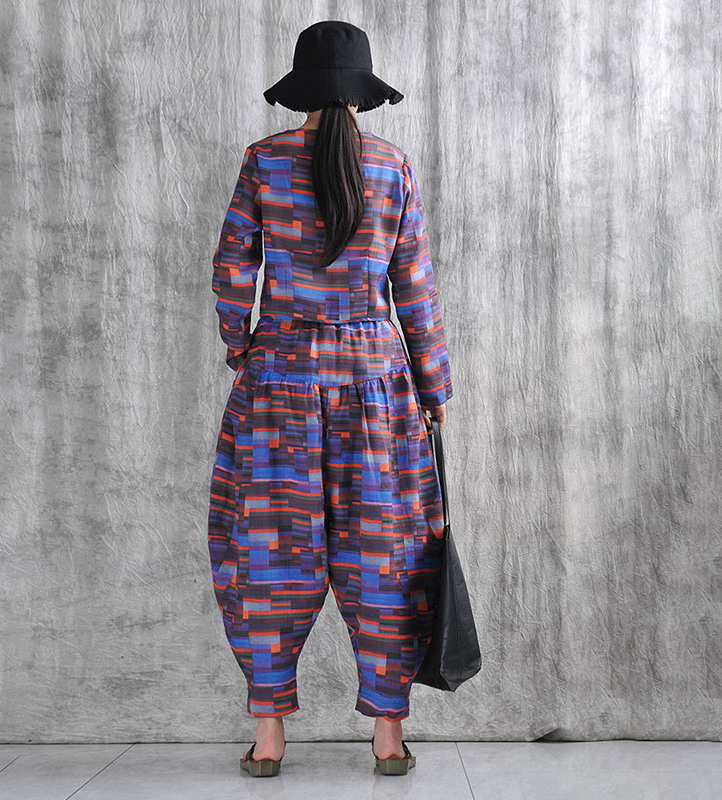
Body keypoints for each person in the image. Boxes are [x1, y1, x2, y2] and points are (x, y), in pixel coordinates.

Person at [207, 20, 453, 777]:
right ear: (361, 91)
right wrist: (434, 385)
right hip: (377, 389)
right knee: (385, 555)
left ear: (302, 89)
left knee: (265, 552)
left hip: (275, 388)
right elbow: (413, 288)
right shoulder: (391, 167)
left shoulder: (264, 162)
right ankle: (388, 738)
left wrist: (242, 345)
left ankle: (268, 739)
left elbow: (232, 268)